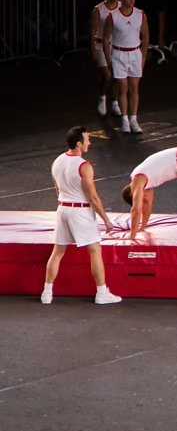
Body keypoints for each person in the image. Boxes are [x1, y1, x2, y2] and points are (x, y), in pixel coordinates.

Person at [42, 126, 120, 305]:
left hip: (62, 208)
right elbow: (92, 197)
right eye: (87, 139)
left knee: (58, 252)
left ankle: (47, 292)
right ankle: (102, 292)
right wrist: (106, 220)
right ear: (79, 144)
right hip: (80, 211)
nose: (90, 142)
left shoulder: (57, 161)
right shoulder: (84, 166)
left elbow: (57, 189)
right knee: (95, 250)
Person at [102, 0, 149, 134]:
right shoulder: (113, 16)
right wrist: (108, 57)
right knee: (123, 86)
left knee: (134, 87)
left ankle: (134, 119)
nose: (132, 0)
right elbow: (105, 38)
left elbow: (146, 36)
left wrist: (143, 55)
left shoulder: (140, 14)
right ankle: (124, 120)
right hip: (119, 53)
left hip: (134, 53)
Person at [90, 0, 120, 116]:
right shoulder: (98, 10)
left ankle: (115, 102)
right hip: (102, 45)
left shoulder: (121, 7)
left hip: (117, 44)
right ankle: (102, 97)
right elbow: (93, 32)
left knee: (117, 76)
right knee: (107, 76)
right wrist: (94, 50)